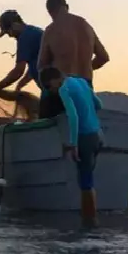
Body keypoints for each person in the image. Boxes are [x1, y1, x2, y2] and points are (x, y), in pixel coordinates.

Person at [38, 66, 103, 227]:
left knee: (86, 182)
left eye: (48, 86)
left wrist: (73, 144)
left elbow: (73, 116)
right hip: (98, 135)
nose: (50, 90)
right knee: (88, 178)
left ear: (54, 80)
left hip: (84, 137)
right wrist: (88, 114)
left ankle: (90, 223)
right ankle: (90, 219)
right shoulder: (81, 82)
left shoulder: (64, 90)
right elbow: (98, 104)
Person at [37, 0, 110, 118]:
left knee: (50, 126)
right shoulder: (86, 26)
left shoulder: (51, 30)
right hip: (85, 85)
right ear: (67, 7)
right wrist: (86, 66)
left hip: (61, 86)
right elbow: (103, 57)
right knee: (84, 126)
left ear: (49, 11)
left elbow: (42, 65)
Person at [0, 10, 45, 97]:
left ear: (15, 25)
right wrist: (21, 83)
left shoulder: (25, 37)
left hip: (54, 89)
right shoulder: (33, 31)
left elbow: (18, 71)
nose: (10, 35)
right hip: (58, 85)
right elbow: (37, 64)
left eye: (8, 31)